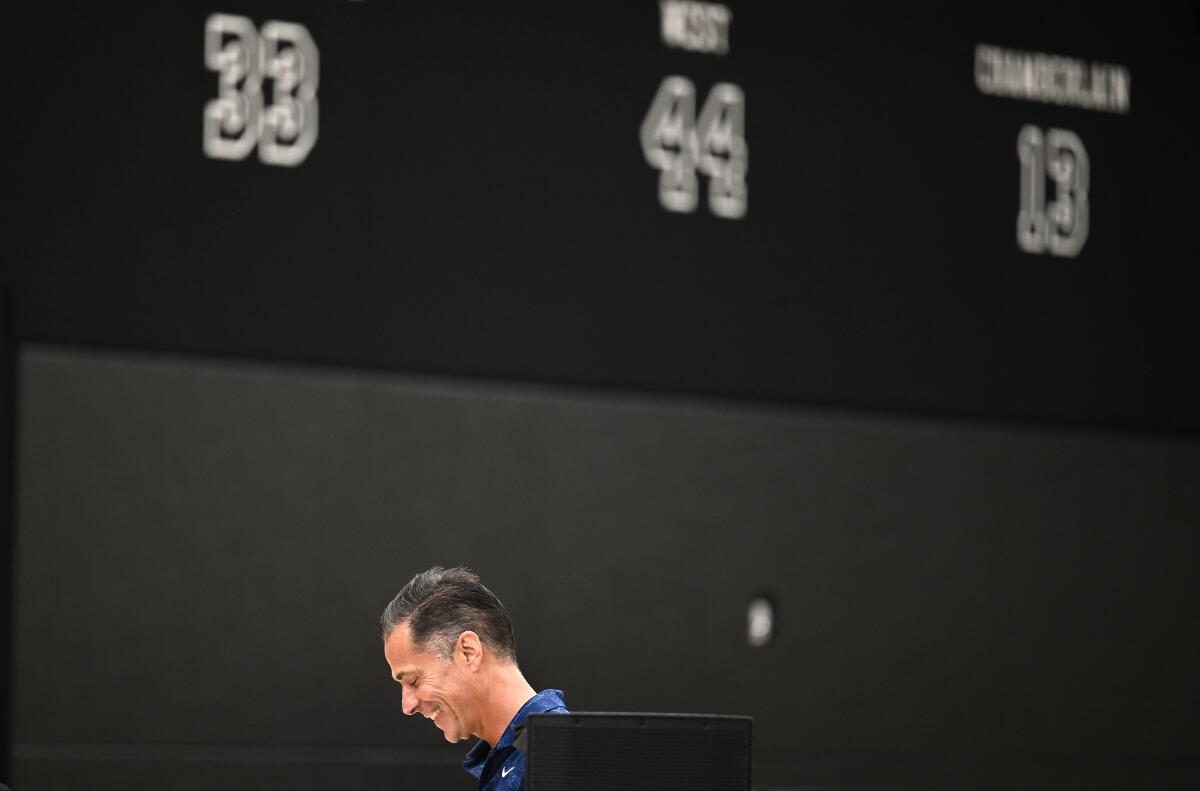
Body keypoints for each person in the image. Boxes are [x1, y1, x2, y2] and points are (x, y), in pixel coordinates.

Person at [380, 566, 568, 790]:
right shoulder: (524, 758)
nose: (407, 706)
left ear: (468, 652)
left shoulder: (557, 761)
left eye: (413, 681)